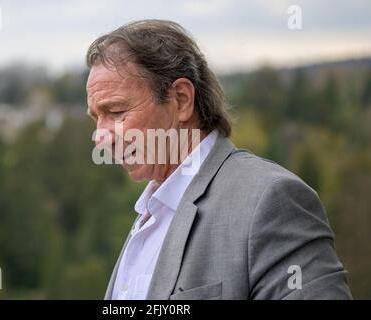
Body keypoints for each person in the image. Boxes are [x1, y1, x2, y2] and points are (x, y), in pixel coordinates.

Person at [85, 19, 352, 300]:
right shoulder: (150, 216)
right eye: (96, 118)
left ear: (181, 99)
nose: (100, 137)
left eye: (115, 112)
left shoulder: (270, 200)